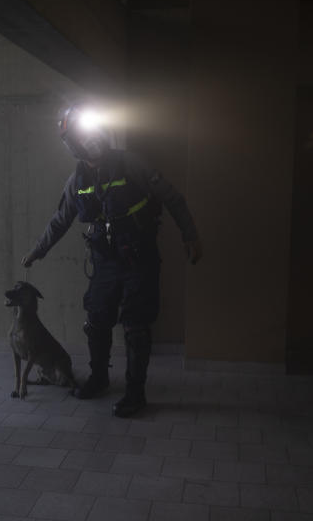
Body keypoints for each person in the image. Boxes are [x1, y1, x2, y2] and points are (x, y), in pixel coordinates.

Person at [22, 103, 203, 417]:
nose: (90, 138)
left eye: (92, 130)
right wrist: (39, 250)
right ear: (72, 144)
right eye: (81, 134)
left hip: (139, 259)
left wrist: (190, 235)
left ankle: (136, 393)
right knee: (96, 321)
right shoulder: (76, 180)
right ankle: (99, 378)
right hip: (104, 262)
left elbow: (172, 198)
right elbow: (60, 220)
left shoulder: (130, 163)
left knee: (135, 326)